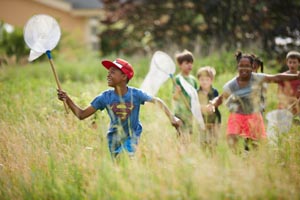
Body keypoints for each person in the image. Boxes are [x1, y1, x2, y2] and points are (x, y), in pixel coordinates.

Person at [57, 58, 181, 158]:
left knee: (124, 158)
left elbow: (158, 101)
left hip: (132, 136)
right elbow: (81, 114)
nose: (108, 75)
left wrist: (172, 118)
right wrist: (67, 99)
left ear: (124, 77)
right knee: (118, 168)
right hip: (113, 139)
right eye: (108, 72)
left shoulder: (136, 94)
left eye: (112, 72)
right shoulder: (105, 97)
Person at [208, 51, 300, 152]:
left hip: (253, 116)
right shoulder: (233, 84)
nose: (244, 69)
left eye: (247, 66)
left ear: (252, 67)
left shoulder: (257, 78)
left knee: (253, 147)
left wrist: (296, 76)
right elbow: (221, 97)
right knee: (231, 140)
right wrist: (213, 104)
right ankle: (238, 158)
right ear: (237, 67)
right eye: (241, 66)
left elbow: (277, 77)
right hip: (237, 116)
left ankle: (248, 160)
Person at [173, 49, 198, 136]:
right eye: (187, 63)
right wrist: (177, 92)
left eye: (191, 63)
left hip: (189, 111)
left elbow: (196, 96)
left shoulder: (193, 80)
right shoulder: (177, 79)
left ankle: (186, 149)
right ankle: (180, 149)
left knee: (189, 134)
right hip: (180, 112)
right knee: (181, 134)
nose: (189, 65)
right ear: (180, 65)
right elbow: (174, 97)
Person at [197, 66, 221, 152]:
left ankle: (213, 156)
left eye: (207, 80)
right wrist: (201, 107)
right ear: (198, 80)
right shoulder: (197, 92)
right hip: (202, 121)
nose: (204, 82)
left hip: (214, 121)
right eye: (202, 79)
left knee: (213, 142)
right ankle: (204, 156)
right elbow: (196, 106)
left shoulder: (214, 92)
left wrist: (210, 107)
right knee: (203, 141)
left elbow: (215, 103)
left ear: (211, 80)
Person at [277, 51, 300, 121]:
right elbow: (279, 94)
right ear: (287, 63)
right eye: (290, 62)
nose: (292, 65)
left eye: (294, 62)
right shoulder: (283, 76)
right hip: (285, 107)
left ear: (299, 63)